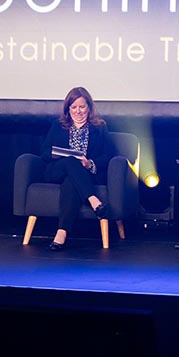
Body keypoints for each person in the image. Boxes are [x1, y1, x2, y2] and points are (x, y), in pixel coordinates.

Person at [40, 86, 113, 250]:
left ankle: (61, 232)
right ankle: (93, 199)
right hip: (57, 170)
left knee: (71, 181)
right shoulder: (58, 125)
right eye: (74, 107)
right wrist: (58, 153)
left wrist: (90, 163)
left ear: (89, 107)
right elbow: (44, 152)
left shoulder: (100, 127)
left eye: (82, 107)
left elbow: (108, 156)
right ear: (68, 109)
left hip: (84, 175)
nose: (78, 111)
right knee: (71, 160)